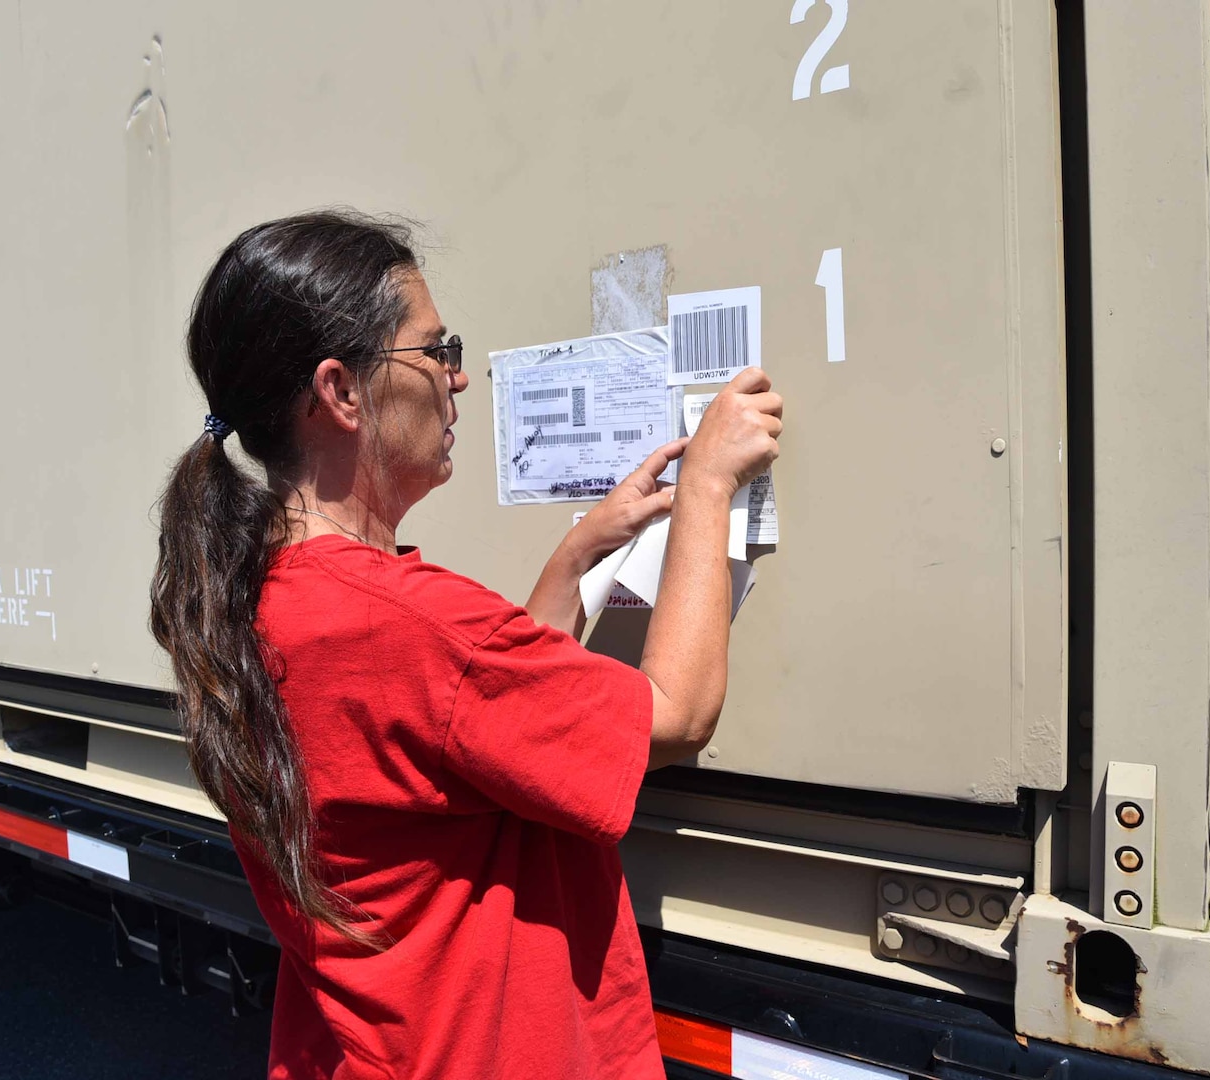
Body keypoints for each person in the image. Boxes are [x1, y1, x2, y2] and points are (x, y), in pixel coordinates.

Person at [148, 210, 782, 1080]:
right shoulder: (402, 622)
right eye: (434, 351)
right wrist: (709, 482)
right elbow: (673, 718)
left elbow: (466, 736)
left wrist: (579, 553)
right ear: (340, 392)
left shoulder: (258, 597)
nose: (458, 378)